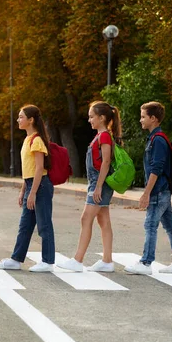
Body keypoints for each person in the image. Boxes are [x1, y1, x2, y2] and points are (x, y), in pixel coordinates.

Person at [124, 101, 172, 274]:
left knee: (150, 225)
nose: (140, 120)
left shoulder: (157, 140)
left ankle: (145, 263)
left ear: (153, 119)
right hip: (162, 190)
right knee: (170, 225)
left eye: (143, 116)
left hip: (158, 191)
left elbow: (156, 169)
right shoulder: (155, 138)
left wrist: (146, 193)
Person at [57, 101, 120, 272]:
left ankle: (78, 260)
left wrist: (98, 186)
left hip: (99, 183)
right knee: (103, 220)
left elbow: (106, 161)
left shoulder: (105, 136)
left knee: (86, 218)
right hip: (99, 183)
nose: (89, 120)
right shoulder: (101, 136)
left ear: (102, 118)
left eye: (92, 116)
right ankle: (107, 261)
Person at [0, 105, 55, 272]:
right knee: (25, 225)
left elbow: (39, 168)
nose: (18, 120)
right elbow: (28, 170)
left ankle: (48, 262)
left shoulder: (37, 140)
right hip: (31, 185)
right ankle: (16, 259)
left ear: (31, 120)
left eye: (21, 117)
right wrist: (24, 191)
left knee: (44, 225)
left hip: (40, 186)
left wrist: (33, 193)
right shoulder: (27, 140)